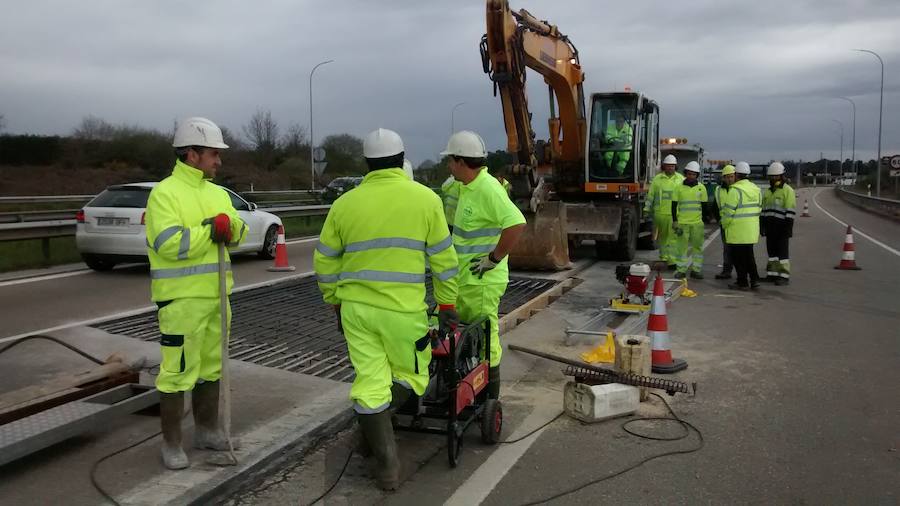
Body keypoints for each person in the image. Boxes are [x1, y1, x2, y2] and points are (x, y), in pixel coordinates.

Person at [313, 128, 459, 490]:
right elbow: (444, 260)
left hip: (356, 311)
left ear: (367, 164)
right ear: (401, 158)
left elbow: (325, 261)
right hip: (402, 312)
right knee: (411, 377)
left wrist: (333, 302)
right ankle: (386, 458)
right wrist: (446, 304)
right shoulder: (426, 200)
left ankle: (382, 456)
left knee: (369, 383)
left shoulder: (345, 203)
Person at [145, 117, 247, 470]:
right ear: (192, 154)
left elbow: (239, 230)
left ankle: (206, 430)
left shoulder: (217, 193)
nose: (219, 161)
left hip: (217, 297)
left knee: (211, 367)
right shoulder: (165, 194)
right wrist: (211, 230)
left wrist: (229, 227)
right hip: (182, 300)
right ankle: (171, 443)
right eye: (213, 154)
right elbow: (168, 243)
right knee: (177, 371)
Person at [442, 131, 525, 400]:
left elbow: (516, 223)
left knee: (486, 338)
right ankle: (470, 388)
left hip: (482, 280)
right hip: (468, 278)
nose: (448, 166)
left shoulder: (487, 188)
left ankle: (490, 398)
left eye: (450, 161)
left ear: (460, 161)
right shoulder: (467, 186)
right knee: (471, 336)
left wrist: (494, 258)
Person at [721, 161, 762, 290]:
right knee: (749, 256)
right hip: (751, 230)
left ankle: (742, 282)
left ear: (737, 175)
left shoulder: (735, 190)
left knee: (738, 259)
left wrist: (724, 224)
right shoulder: (756, 189)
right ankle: (754, 280)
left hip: (737, 231)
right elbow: (759, 208)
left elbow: (728, 212)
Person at [645, 154, 684, 268]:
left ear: (675, 166)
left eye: (672, 166)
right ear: (664, 166)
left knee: (673, 238)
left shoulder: (681, 179)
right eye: (668, 166)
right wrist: (647, 208)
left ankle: (672, 261)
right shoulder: (657, 179)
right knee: (662, 238)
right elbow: (651, 195)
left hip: (675, 214)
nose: (670, 168)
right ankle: (664, 258)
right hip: (660, 214)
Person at [761, 162, 796, 285]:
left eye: (776, 176)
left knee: (782, 253)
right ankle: (772, 274)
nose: (774, 178)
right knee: (772, 253)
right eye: (772, 176)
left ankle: (784, 276)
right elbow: (763, 211)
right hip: (770, 228)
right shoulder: (767, 192)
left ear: (782, 176)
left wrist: (788, 229)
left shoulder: (788, 191)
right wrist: (762, 226)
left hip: (782, 228)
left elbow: (790, 212)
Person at [671, 161, 708, 279]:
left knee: (698, 247)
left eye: (693, 174)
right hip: (682, 223)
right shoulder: (678, 187)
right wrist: (675, 221)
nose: (691, 176)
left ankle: (696, 270)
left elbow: (704, 207)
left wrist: (704, 221)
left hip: (697, 224)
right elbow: (673, 205)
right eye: (689, 173)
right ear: (685, 173)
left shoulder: (701, 188)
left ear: (697, 175)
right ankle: (681, 270)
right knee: (681, 248)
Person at [714, 164, 736, 279]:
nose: (729, 179)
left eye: (731, 176)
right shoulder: (718, 190)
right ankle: (727, 271)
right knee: (727, 249)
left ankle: (742, 272)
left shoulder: (738, 189)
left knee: (739, 249)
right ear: (723, 178)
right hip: (725, 224)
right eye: (726, 177)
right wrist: (719, 220)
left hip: (738, 225)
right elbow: (716, 207)